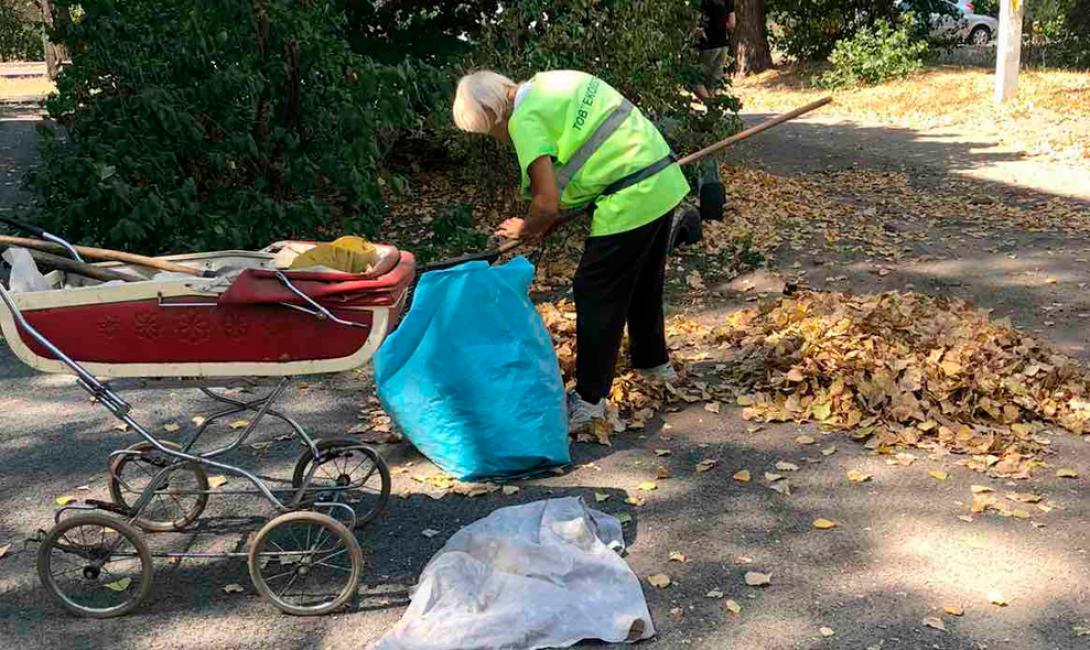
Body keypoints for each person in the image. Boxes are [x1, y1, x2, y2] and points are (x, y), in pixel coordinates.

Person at [452, 70, 690, 433]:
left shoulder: (524, 120)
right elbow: (582, 166)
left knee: (594, 289)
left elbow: (546, 203)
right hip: (661, 174)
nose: (497, 138)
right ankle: (653, 364)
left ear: (493, 114)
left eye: (488, 130)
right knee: (643, 280)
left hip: (632, 194)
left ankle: (590, 401)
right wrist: (546, 220)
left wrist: (526, 226)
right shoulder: (552, 83)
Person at [694, 0, 736, 102]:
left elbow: (695, 20)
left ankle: (711, 107)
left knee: (693, 78)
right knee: (711, 84)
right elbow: (732, 24)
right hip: (722, 45)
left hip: (707, 45)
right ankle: (713, 114)